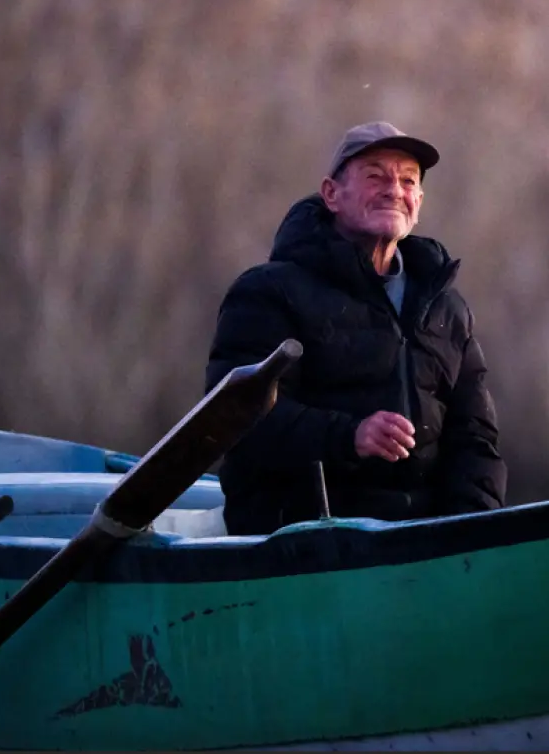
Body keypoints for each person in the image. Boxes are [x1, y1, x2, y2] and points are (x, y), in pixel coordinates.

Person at [204, 120, 507, 535]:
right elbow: (235, 420)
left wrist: (467, 535)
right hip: (299, 549)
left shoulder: (447, 309)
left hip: (423, 550)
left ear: (419, 200)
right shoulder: (269, 292)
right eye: (375, 176)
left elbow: (475, 440)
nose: (393, 190)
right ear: (332, 194)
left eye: (407, 180)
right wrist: (350, 437)